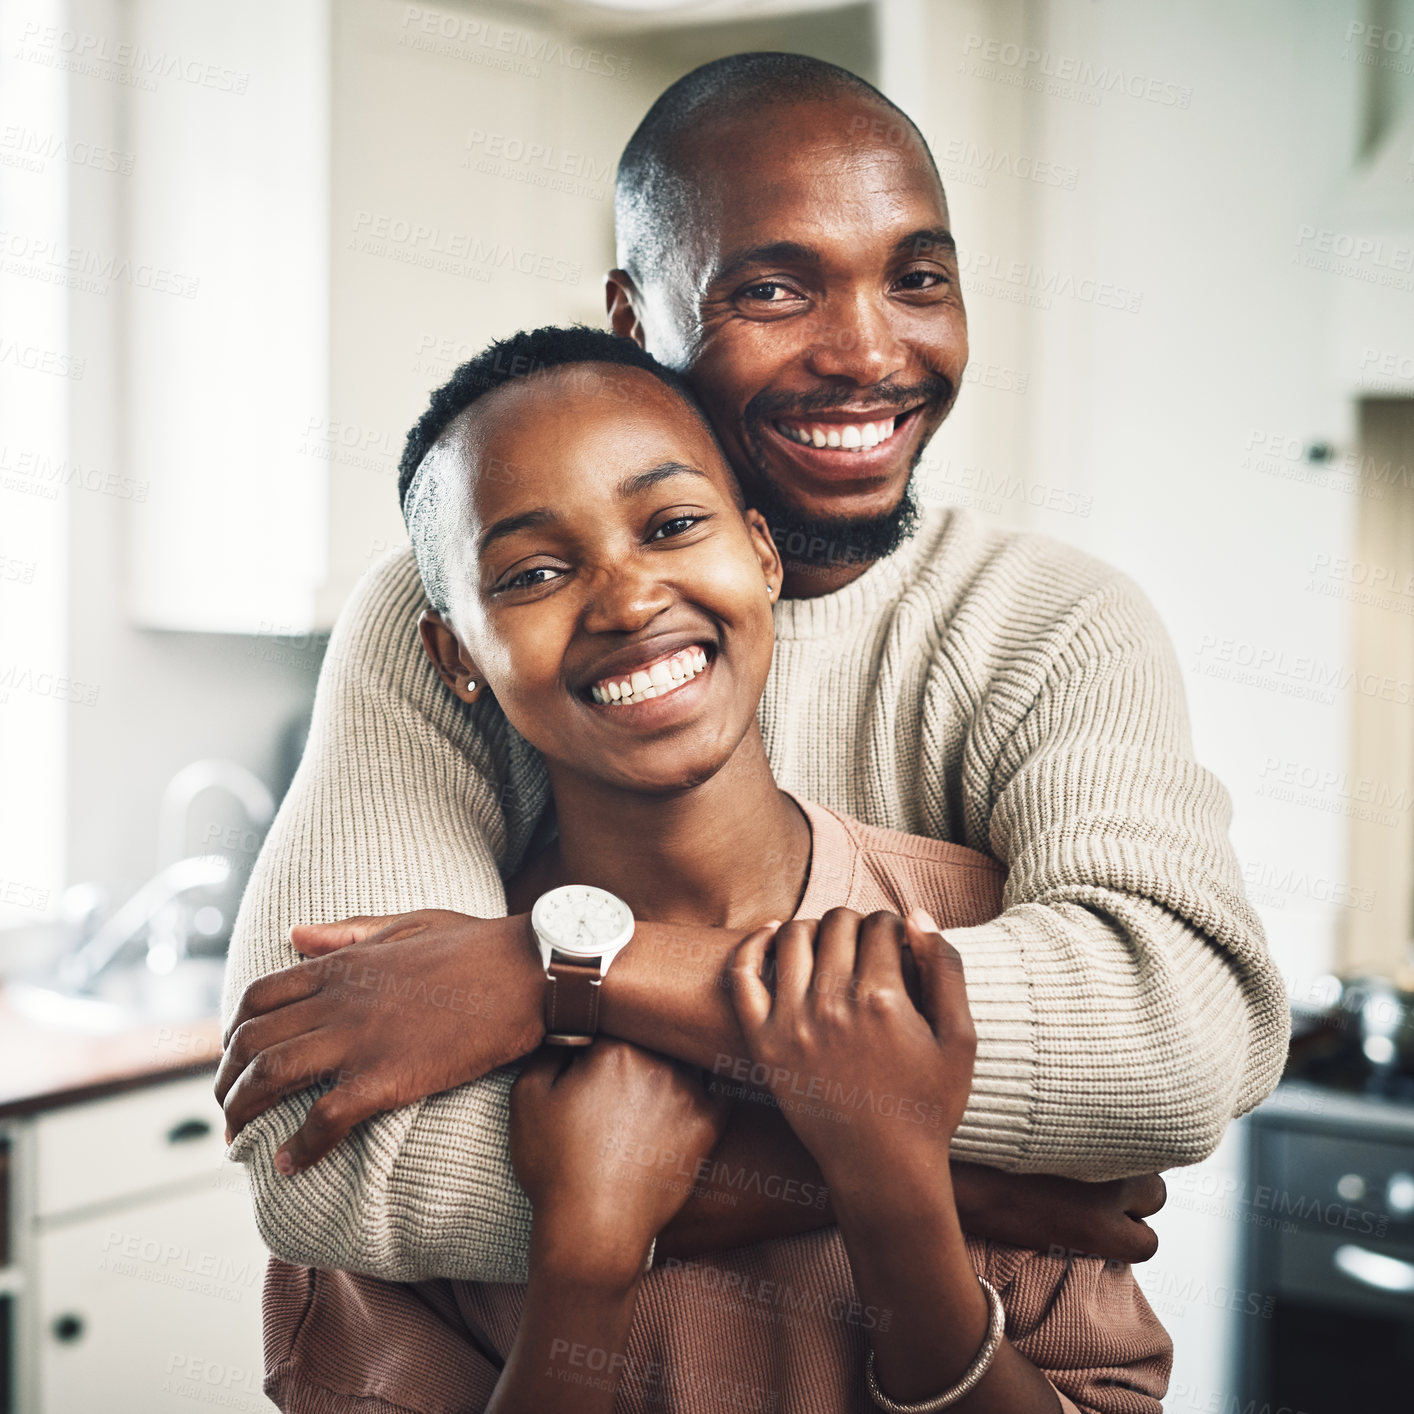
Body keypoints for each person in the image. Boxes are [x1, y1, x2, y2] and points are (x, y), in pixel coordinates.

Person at [219, 53, 1287, 1291]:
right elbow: (328, 1153)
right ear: (637, 319)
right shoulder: (448, 613)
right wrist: (920, 1182)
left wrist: (561, 972)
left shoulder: (1050, 625)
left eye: (918, 278)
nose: (869, 351)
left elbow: (1174, 1042)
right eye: (776, 290)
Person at [253, 326, 1172, 1413]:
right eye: (535, 571)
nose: (629, 600)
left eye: (674, 524)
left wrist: (896, 1193)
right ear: (456, 655)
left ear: (765, 555)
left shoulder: (968, 935)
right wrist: (584, 1257)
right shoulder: (407, 1024)